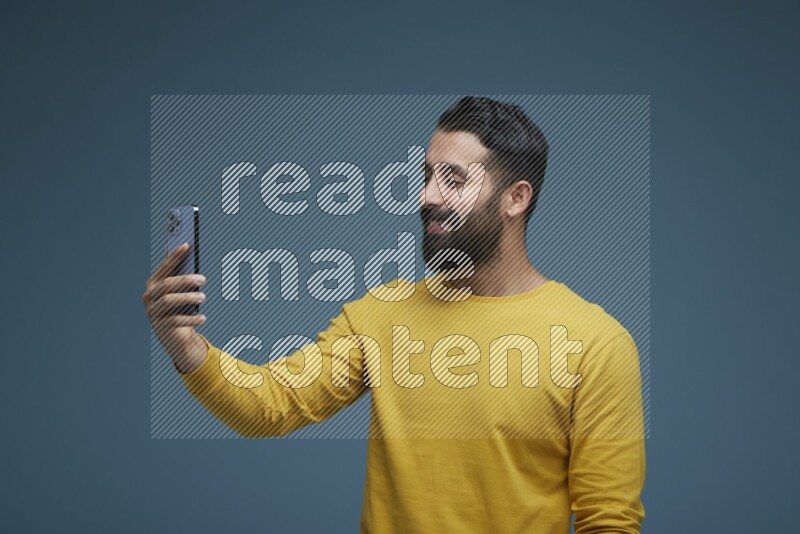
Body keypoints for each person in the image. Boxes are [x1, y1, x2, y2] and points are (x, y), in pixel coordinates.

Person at [143, 96, 647, 533]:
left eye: (454, 180)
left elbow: (609, 522)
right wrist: (189, 350)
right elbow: (269, 406)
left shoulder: (596, 343)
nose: (428, 196)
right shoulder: (383, 314)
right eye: (428, 175)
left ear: (515, 198)